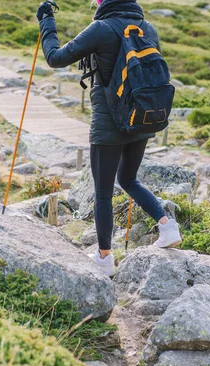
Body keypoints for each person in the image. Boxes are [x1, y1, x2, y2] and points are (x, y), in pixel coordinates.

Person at [37, 0, 182, 276]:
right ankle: (167, 225)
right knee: (128, 179)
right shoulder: (147, 27)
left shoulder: (101, 28)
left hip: (109, 123)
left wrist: (46, 21)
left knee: (103, 191)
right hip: (142, 117)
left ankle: (104, 259)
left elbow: (55, 58)